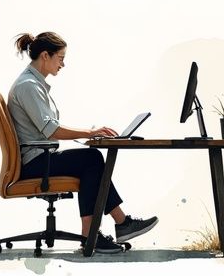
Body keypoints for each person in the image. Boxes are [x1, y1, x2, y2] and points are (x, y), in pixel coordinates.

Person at [8, 31, 157, 254]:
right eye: (60, 58)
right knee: (91, 159)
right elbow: (51, 131)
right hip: (36, 163)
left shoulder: (33, 84)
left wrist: (90, 134)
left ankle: (105, 229)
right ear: (45, 56)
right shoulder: (28, 86)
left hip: (40, 157)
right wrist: (90, 132)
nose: (63, 64)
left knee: (91, 161)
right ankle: (102, 231)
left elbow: (49, 129)